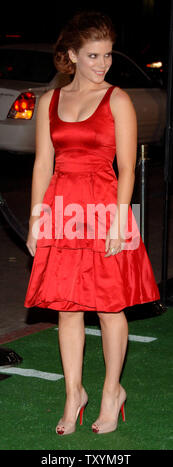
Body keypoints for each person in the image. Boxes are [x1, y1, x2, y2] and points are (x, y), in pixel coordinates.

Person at [24, 11, 160, 435]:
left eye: (107, 55)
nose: (103, 64)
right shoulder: (49, 101)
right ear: (70, 56)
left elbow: (127, 170)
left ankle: (110, 392)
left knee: (109, 307)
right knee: (67, 310)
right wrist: (35, 218)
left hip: (102, 211)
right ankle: (73, 395)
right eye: (94, 55)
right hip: (63, 211)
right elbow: (44, 163)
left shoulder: (117, 99)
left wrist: (120, 219)